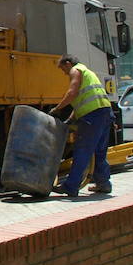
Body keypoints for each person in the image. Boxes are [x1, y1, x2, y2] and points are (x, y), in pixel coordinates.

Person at [48, 55, 114, 197]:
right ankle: (104, 184)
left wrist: (57, 109)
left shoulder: (75, 70)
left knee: (82, 150)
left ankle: (71, 187)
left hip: (92, 117)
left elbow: (72, 93)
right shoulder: (88, 72)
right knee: (99, 152)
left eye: (63, 69)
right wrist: (70, 120)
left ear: (68, 63)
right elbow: (81, 102)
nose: (64, 73)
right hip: (105, 113)